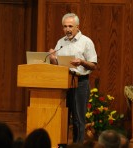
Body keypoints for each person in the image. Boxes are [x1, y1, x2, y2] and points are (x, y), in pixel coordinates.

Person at [49, 13, 97, 143]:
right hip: (63, 83)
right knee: (63, 117)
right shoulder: (61, 42)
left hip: (80, 83)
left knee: (78, 119)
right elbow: (58, 64)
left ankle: (78, 145)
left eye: (70, 26)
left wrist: (81, 62)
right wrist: (53, 59)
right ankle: (61, 145)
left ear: (77, 26)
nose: (67, 29)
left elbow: (93, 65)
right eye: (65, 26)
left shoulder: (86, 42)